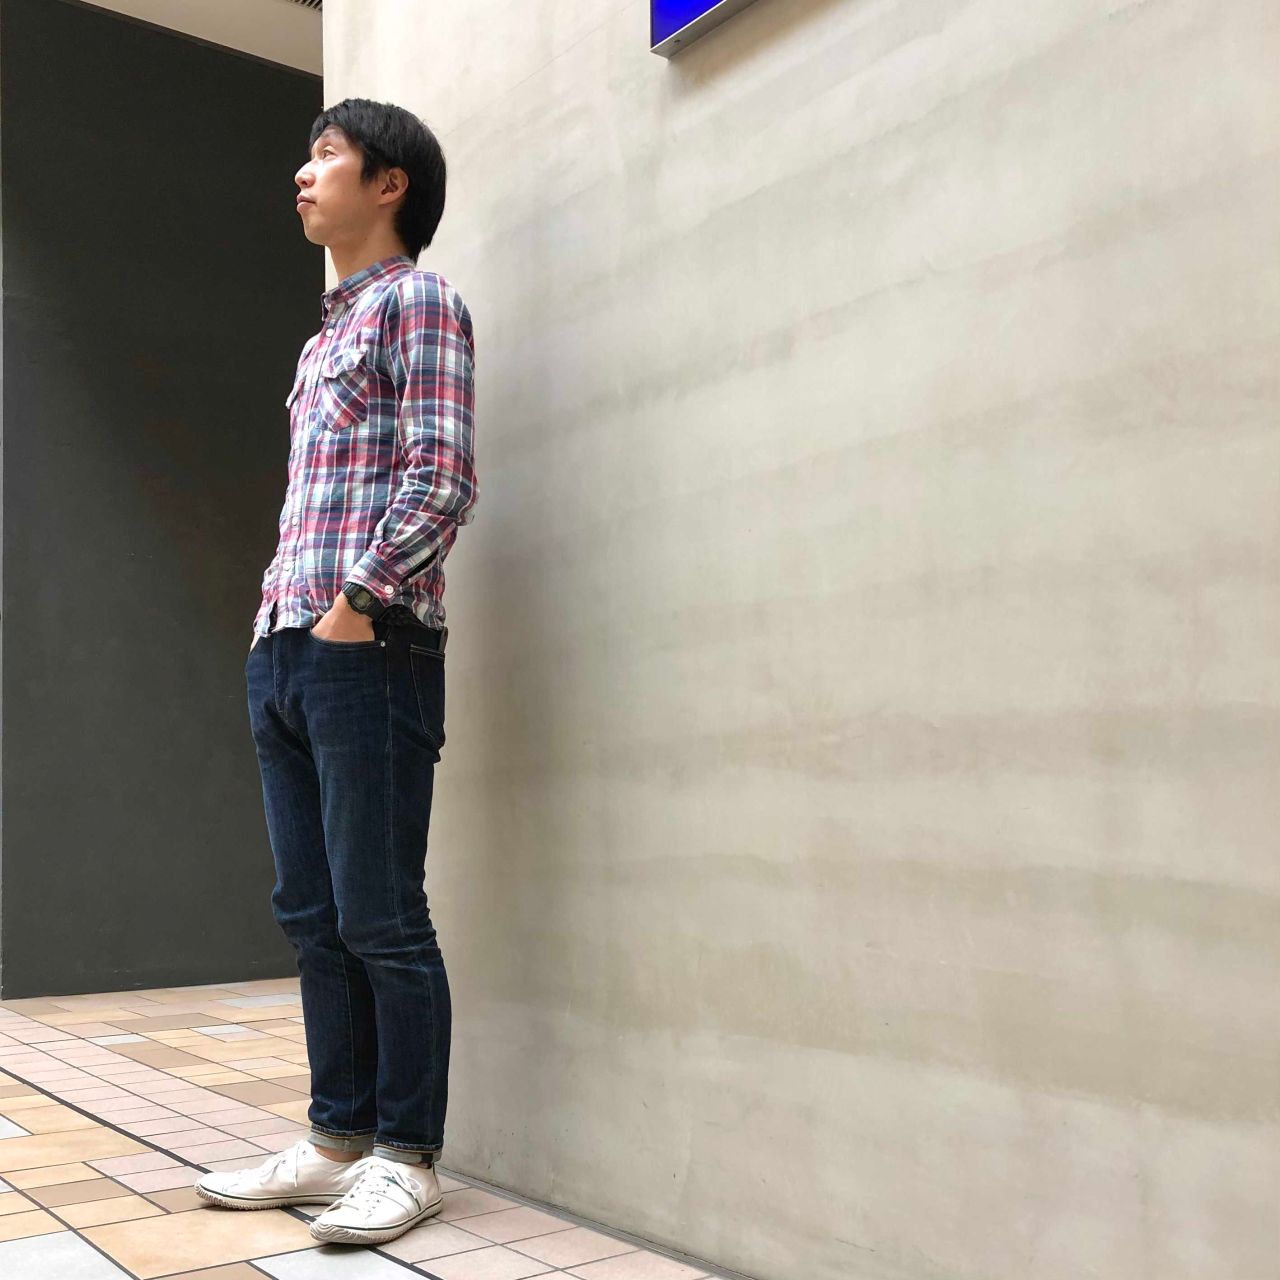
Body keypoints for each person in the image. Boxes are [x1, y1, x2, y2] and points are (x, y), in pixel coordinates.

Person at [193, 98, 477, 1248]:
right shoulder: (319, 342)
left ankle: (408, 1156)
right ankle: (336, 1139)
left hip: (371, 646)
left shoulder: (420, 302)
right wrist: (281, 626)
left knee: (381, 913)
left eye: (325, 156)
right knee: (310, 913)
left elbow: (441, 475)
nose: (302, 175)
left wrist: (355, 606)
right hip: (286, 647)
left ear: (388, 182)